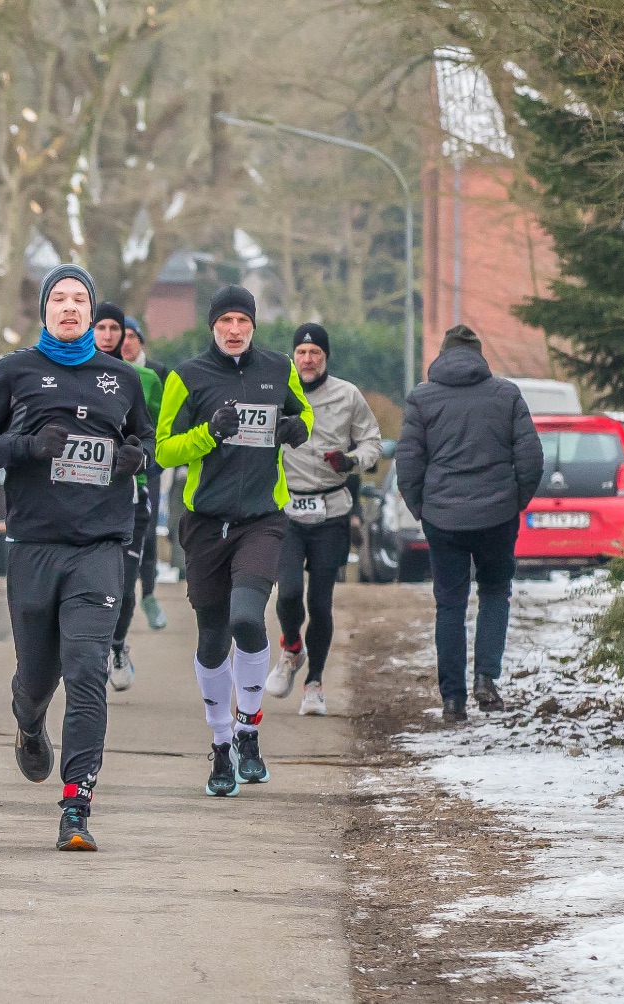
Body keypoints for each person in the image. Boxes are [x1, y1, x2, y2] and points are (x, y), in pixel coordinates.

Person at [0, 264, 154, 852]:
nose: (70, 307)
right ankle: (28, 722)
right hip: (34, 547)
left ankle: (76, 804)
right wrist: (27, 446)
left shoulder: (121, 378)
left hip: (100, 546)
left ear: (93, 314)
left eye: (79, 300)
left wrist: (136, 458)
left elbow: (144, 440)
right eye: (59, 299)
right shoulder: (15, 371)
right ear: (44, 310)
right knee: (37, 678)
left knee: (88, 670)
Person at [156, 284, 312, 797]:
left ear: (253, 325)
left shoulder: (278, 368)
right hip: (205, 523)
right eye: (225, 321)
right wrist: (209, 433)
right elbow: (163, 450)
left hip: (261, 519)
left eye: (242, 321)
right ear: (213, 326)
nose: (234, 329)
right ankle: (222, 743)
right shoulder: (186, 376)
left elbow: (303, 415)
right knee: (212, 638)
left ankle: (249, 729)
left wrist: (297, 429)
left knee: (246, 618)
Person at [395, 324, 543, 723]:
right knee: (495, 591)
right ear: (479, 355)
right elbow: (531, 458)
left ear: (443, 354)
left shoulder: (422, 398)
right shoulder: (506, 395)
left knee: (450, 603)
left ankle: (453, 701)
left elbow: (408, 462)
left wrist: (422, 508)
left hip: (443, 518)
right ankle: (486, 679)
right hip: (497, 516)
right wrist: (514, 501)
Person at [266, 323, 382, 716]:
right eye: (301, 352)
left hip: (331, 510)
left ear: (326, 357)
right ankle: (291, 648)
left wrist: (351, 461)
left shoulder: (347, 395)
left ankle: (314, 683)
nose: (308, 359)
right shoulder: (279, 393)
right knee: (287, 593)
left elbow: (372, 442)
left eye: (315, 353)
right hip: (287, 510)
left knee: (320, 602)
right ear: (293, 357)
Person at [90, 301, 162, 690]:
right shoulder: (74, 375)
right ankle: (91, 654)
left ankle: (117, 646)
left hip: (132, 493)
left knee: (124, 586)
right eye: (99, 328)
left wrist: (143, 460)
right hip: (85, 498)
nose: (107, 335)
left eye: (114, 329)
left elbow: (157, 435)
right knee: (90, 584)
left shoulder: (143, 379)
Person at [120, 316, 169, 630]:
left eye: (131, 336)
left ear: (141, 340)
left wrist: (156, 459)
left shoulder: (157, 373)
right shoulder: (106, 370)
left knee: (147, 531)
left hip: (147, 464)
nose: (125, 342)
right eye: (120, 335)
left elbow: (166, 420)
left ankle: (149, 595)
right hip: (114, 465)